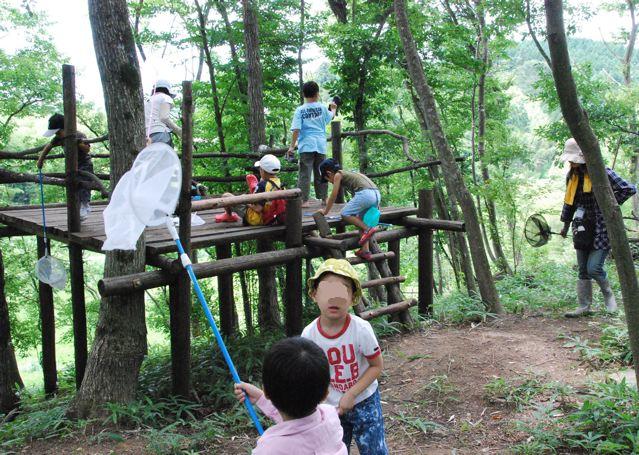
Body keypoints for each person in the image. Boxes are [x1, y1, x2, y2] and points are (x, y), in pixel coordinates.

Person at [302, 258, 388, 454]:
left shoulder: (361, 329)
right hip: (330, 407)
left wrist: (351, 394)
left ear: (352, 298)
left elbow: (376, 366)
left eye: (342, 291)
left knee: (375, 450)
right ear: (315, 294)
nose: (334, 299)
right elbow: (307, 375)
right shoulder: (309, 335)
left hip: (364, 399)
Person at [559, 138, 636, 317]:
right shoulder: (572, 176)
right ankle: (584, 306)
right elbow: (569, 203)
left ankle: (608, 295)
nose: (571, 161)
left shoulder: (602, 172)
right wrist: (565, 225)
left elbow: (628, 189)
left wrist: (608, 205)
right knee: (583, 269)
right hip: (581, 227)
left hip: (601, 227)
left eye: (573, 158)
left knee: (594, 267)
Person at [234, 337, 347, 455]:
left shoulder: (270, 449)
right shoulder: (330, 416)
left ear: (266, 390)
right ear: (325, 394)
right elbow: (302, 425)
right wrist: (260, 398)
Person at [318, 159, 381, 261]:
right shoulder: (350, 173)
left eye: (327, 179)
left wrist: (325, 212)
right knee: (360, 221)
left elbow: (333, 195)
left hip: (366, 194)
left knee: (345, 213)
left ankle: (368, 229)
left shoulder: (338, 175)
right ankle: (365, 251)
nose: (330, 182)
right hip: (376, 194)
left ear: (329, 173)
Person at [287, 81, 337, 208]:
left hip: (306, 145)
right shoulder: (321, 107)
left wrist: (292, 147)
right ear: (317, 94)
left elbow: (296, 129)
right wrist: (334, 109)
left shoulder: (300, 110)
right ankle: (324, 198)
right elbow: (330, 117)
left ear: (304, 94)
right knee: (322, 171)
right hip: (320, 145)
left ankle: (304, 201)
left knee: (305, 173)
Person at [37, 113, 94, 221]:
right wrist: (41, 159)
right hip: (71, 166)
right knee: (73, 186)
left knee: (83, 185)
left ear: (66, 128)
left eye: (58, 132)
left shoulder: (79, 135)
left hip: (84, 164)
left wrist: (78, 144)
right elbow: (48, 147)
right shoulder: (58, 138)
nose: (57, 135)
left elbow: (87, 149)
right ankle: (77, 207)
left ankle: (85, 205)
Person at [215, 154, 286, 225]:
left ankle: (228, 215)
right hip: (271, 218)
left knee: (226, 196)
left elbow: (258, 208)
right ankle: (254, 190)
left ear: (262, 170)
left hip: (257, 219)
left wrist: (244, 200)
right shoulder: (279, 183)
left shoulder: (262, 185)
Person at [145, 80, 181, 146]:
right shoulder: (165, 97)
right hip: (160, 134)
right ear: (168, 91)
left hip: (147, 137)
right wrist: (179, 131)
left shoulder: (147, 101)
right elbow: (164, 118)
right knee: (164, 155)